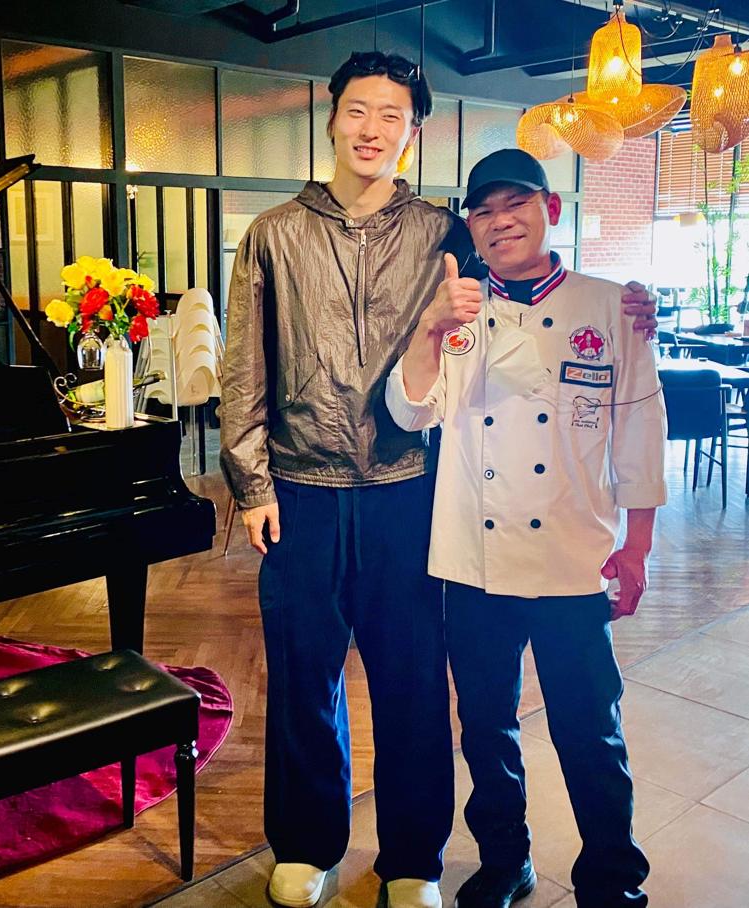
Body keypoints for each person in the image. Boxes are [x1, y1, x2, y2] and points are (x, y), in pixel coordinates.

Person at [218, 51, 658, 908]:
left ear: (411, 132)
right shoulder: (273, 232)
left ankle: (413, 859)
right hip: (302, 488)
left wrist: (625, 303)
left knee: (414, 686)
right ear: (331, 118)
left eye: (390, 115)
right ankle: (306, 845)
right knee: (302, 680)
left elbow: (524, 283)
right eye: (357, 110)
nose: (370, 128)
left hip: (409, 489)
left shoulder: (440, 231)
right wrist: (251, 481)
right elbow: (243, 364)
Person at [386, 148, 665, 908]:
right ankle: (505, 859)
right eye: (483, 210)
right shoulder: (455, 312)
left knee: (591, 729)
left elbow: (639, 432)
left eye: (515, 204)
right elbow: (409, 413)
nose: (499, 221)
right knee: (485, 726)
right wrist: (428, 329)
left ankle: (612, 879)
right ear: (470, 227)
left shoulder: (612, 306)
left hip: (575, 557)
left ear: (551, 208)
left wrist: (637, 546)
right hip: (475, 563)